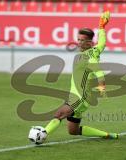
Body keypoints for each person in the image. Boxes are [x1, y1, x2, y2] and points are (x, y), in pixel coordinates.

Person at [44, 11, 118, 140]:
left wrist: (101, 86)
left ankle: (41, 134)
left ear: (89, 42)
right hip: (80, 96)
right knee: (73, 130)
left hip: (80, 96)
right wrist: (102, 28)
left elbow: (99, 71)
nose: (79, 42)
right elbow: (102, 43)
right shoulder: (95, 50)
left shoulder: (89, 56)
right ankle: (108, 135)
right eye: (78, 39)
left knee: (59, 114)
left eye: (82, 40)